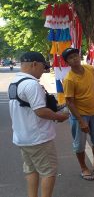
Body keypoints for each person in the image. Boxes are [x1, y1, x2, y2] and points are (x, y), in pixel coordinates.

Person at [8, 51, 69, 197]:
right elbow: (40, 111)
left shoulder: (14, 83)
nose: (44, 71)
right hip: (38, 138)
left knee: (31, 170)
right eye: (43, 67)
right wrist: (59, 117)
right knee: (48, 172)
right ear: (34, 64)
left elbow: (29, 107)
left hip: (22, 137)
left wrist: (59, 106)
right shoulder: (31, 84)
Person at [61, 48, 94, 181]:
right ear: (67, 62)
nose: (75, 59)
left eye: (76, 56)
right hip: (79, 116)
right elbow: (69, 102)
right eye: (71, 58)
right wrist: (81, 121)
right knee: (79, 144)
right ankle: (84, 168)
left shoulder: (90, 69)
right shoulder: (69, 79)